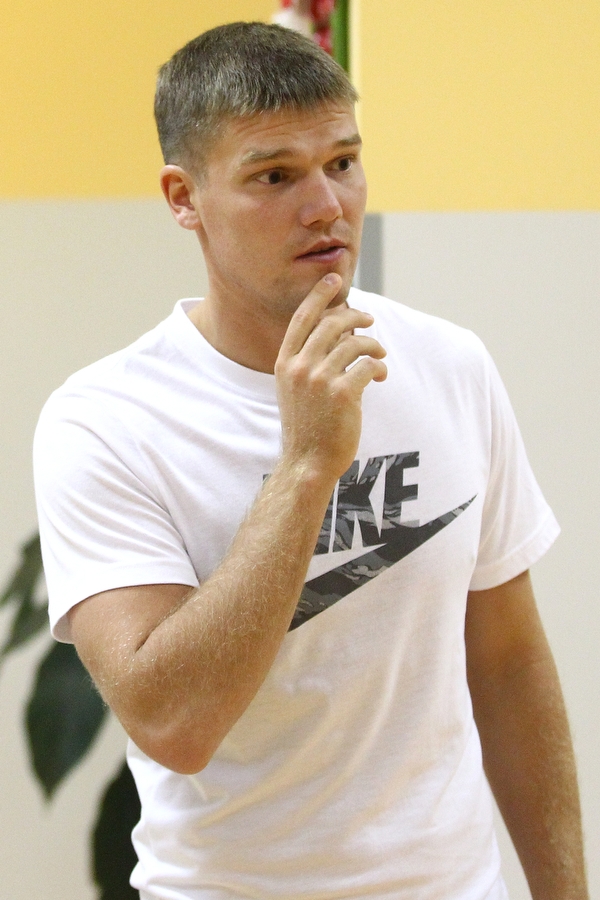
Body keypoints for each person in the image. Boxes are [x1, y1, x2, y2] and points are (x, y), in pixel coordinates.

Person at [33, 21, 588, 900]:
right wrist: (304, 469)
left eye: (343, 162)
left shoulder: (451, 364)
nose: (327, 204)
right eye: (275, 176)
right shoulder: (103, 422)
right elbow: (173, 724)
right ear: (184, 198)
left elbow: (509, 662)